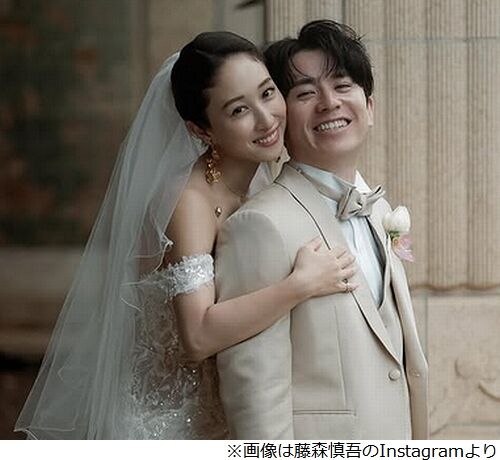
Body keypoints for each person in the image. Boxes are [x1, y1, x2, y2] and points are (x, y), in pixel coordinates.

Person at [15, 31, 357, 440]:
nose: (266, 119)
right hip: (170, 422)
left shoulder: (261, 180)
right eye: (238, 110)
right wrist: (300, 285)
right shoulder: (188, 201)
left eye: (267, 93)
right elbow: (196, 336)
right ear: (202, 130)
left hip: (231, 411)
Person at [215, 20, 429, 439]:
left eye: (343, 85)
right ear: (280, 117)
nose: (329, 103)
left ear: (369, 108)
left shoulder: (380, 211)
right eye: (306, 93)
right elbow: (257, 392)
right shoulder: (260, 226)